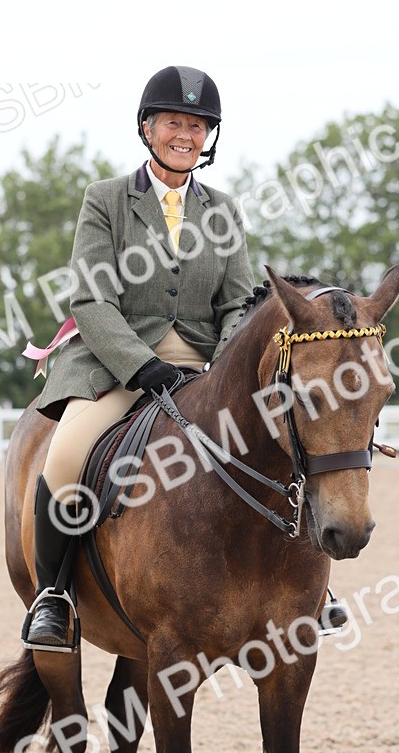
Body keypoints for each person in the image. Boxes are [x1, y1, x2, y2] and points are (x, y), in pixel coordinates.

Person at [23, 66, 255, 648]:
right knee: (66, 457)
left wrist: (228, 365)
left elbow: (238, 303)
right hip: (116, 361)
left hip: (205, 363)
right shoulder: (106, 200)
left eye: (198, 126)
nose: (186, 135)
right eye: (174, 122)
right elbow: (92, 298)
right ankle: (54, 596)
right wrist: (140, 366)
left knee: (284, 437)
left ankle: (305, 586)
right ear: (148, 128)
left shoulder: (223, 210)